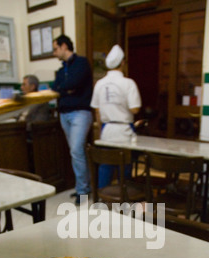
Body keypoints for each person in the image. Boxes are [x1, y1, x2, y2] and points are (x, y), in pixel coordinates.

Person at [90, 45, 142, 188]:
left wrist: (101, 129)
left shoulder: (99, 84)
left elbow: (97, 111)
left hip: (107, 130)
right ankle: (123, 199)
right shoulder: (128, 83)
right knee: (124, 165)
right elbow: (135, 109)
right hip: (124, 130)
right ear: (123, 63)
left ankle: (102, 199)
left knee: (105, 166)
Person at [52, 35, 93, 205]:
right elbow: (57, 88)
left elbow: (74, 83)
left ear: (63, 46)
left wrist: (66, 88)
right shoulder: (61, 71)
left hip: (80, 113)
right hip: (64, 113)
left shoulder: (82, 63)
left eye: (55, 49)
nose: (54, 53)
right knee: (76, 152)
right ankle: (83, 187)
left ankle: (82, 191)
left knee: (76, 151)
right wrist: (65, 88)